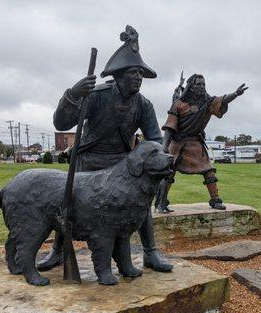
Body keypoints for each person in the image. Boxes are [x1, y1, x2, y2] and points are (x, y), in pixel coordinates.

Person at [37, 25, 172, 274]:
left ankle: (151, 253)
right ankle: (57, 251)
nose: (139, 77)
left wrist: (156, 161)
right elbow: (61, 123)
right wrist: (73, 95)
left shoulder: (144, 105)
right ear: (119, 75)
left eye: (141, 73)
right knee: (66, 203)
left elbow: (154, 139)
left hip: (121, 164)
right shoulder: (97, 96)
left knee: (140, 204)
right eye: (133, 72)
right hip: (88, 160)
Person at [155, 74, 248, 212]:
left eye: (203, 84)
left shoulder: (208, 102)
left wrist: (235, 94)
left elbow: (221, 100)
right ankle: (162, 201)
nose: (201, 87)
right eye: (198, 84)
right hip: (177, 144)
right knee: (169, 172)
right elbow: (170, 127)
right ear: (190, 86)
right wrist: (164, 148)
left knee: (209, 171)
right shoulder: (178, 104)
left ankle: (215, 199)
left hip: (195, 143)